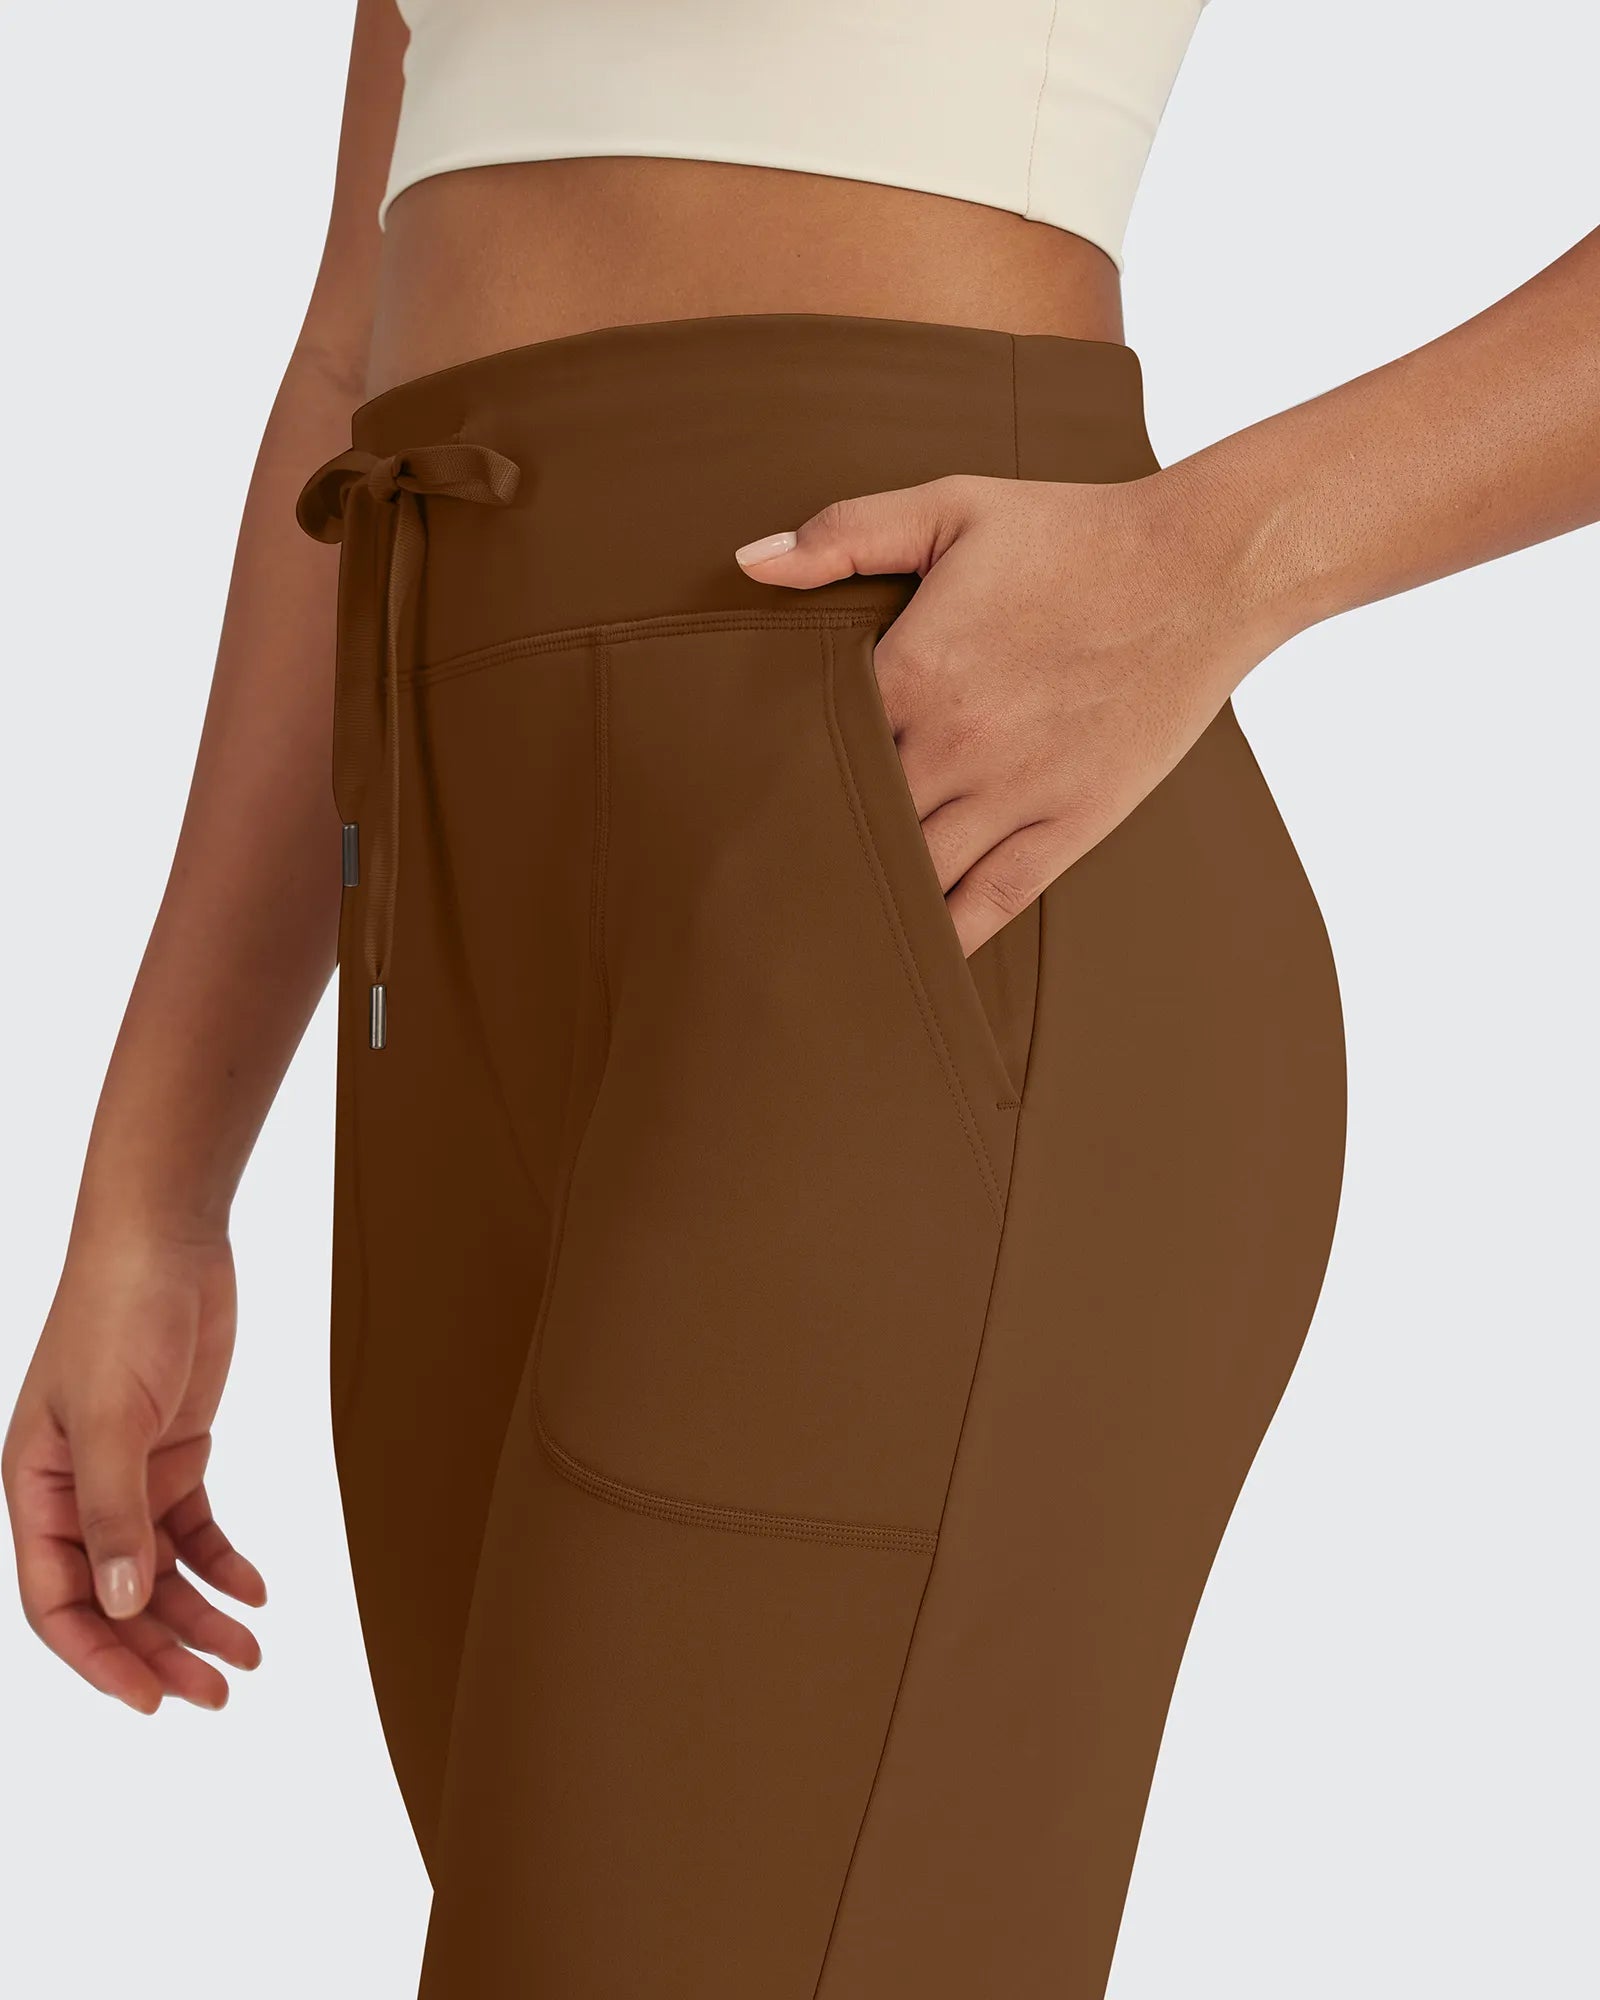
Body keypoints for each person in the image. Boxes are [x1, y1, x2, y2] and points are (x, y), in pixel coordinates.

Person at [4, 3, 1597, 1993]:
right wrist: (154, 1187)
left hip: (921, 830)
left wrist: (1221, 557)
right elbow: (353, 350)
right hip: (444, 937)